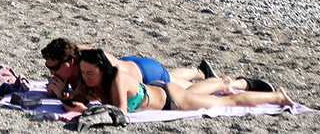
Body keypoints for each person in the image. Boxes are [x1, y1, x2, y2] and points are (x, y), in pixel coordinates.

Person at [71, 50, 295, 113]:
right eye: (83, 73)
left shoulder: (117, 78)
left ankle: (277, 96)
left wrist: (85, 109)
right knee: (197, 90)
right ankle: (223, 83)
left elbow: (120, 113)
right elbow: (75, 98)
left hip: (172, 100)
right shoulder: (89, 82)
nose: (86, 77)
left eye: (90, 73)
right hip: (160, 89)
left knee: (228, 103)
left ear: (103, 70)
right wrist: (72, 98)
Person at [41, 38, 211, 100]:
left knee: (187, 91)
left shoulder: (89, 65)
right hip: (131, 64)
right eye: (48, 66)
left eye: (55, 67)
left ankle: (219, 83)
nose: (51, 72)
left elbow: (92, 97)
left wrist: (63, 94)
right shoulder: (73, 56)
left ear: (70, 61)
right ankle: (200, 72)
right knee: (169, 76)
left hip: (145, 75)